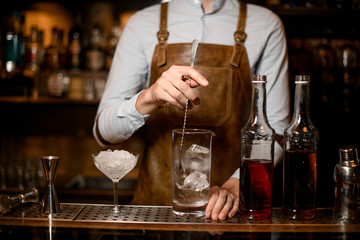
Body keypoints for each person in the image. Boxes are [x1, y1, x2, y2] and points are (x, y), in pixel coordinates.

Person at [93, 0, 290, 221]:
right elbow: (103, 134)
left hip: (231, 213)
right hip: (155, 213)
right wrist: (150, 97)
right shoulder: (141, 23)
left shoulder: (265, 24)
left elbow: (276, 131)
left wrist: (237, 184)